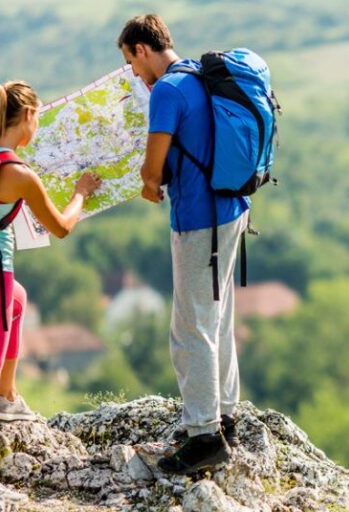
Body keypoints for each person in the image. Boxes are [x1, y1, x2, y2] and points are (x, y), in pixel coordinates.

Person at [0, 81, 102, 503]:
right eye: (39, 115)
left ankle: (10, 398)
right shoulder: (17, 174)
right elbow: (62, 227)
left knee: (18, 299)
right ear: (27, 117)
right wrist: (81, 194)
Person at [117, 14, 249, 474]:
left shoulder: (168, 92)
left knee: (189, 328)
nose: (134, 74)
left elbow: (152, 172)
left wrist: (149, 185)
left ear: (141, 49)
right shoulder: (199, 74)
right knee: (218, 317)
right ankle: (225, 416)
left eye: (131, 63)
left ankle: (204, 436)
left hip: (197, 220)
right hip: (233, 211)